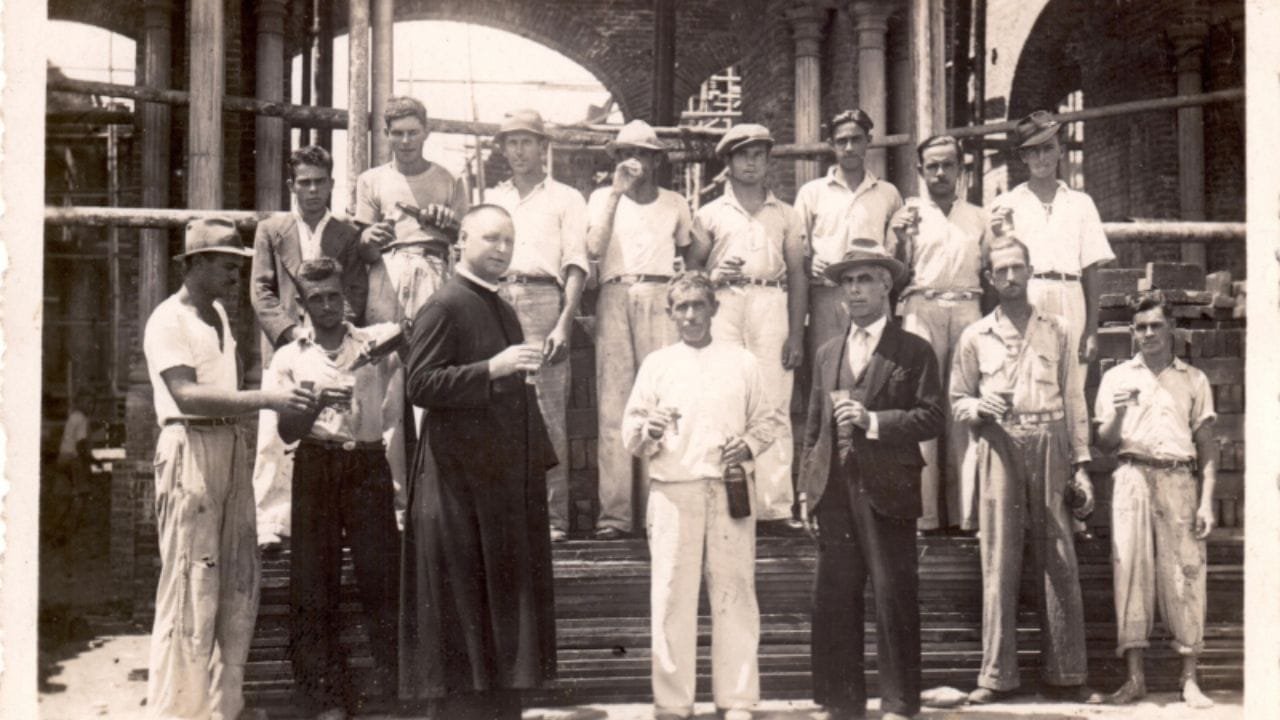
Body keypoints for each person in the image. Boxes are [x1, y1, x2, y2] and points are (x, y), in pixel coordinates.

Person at [142, 218, 316, 720]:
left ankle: (223, 707)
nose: (234, 277)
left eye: (238, 268)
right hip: (189, 447)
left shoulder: (217, 313)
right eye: (224, 266)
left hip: (229, 443)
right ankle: (178, 711)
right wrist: (268, 399)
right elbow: (186, 395)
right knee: (190, 582)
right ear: (193, 265)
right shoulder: (167, 320)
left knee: (236, 579)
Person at [399, 205, 557, 719]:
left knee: (499, 618)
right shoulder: (443, 305)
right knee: (463, 613)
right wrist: (493, 367)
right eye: (491, 238)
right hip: (457, 486)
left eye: (509, 240)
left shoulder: (501, 306)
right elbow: (420, 385)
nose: (502, 249)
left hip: (498, 485)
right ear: (461, 241)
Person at [622, 272, 782, 720]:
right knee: (672, 596)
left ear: (714, 308)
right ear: (670, 313)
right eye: (681, 307)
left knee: (735, 593)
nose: (690, 315)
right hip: (673, 492)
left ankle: (737, 700)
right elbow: (630, 434)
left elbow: (768, 421)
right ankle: (673, 702)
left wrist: (747, 446)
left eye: (698, 305)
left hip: (730, 489)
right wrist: (648, 430)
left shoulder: (742, 361)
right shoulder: (657, 364)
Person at [798, 239, 944, 720]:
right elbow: (815, 427)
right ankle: (843, 701)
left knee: (892, 595)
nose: (855, 290)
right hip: (834, 490)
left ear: (887, 285)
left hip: (888, 487)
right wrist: (807, 486)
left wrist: (875, 421)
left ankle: (899, 704)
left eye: (865, 279)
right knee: (835, 596)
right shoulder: (826, 352)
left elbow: (932, 417)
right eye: (848, 281)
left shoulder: (914, 350)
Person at [951, 237, 1098, 705]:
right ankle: (996, 675)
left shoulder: (1056, 328)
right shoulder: (975, 336)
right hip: (998, 442)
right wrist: (979, 405)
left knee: (1058, 555)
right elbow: (957, 401)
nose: (1010, 277)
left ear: (1030, 270)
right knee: (999, 559)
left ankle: (1068, 672)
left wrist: (1082, 464)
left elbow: (1074, 398)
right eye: (1001, 271)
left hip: (1050, 438)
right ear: (990, 278)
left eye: (1017, 268)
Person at [265, 258, 403, 719]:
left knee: (383, 578)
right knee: (312, 582)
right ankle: (324, 700)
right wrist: (316, 401)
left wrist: (392, 344)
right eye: (316, 299)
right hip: (316, 463)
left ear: (346, 296)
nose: (326, 306)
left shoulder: (374, 342)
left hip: (366, 464)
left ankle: (398, 692)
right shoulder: (289, 357)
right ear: (301, 305)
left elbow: (415, 332)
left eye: (333, 296)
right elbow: (286, 433)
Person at [986, 110, 1115, 541]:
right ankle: (1026, 507)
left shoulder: (1081, 203)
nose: (1042, 157)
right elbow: (999, 263)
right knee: (1028, 391)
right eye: (1033, 150)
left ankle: (1075, 502)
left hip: (1070, 294)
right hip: (1030, 294)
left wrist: (1093, 329)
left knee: (1072, 394)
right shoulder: (1008, 204)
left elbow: (1093, 268)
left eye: (1048, 147)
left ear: (1060, 149)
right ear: (1023, 157)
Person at [1094, 291, 1218, 709]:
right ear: (1133, 333)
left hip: (1179, 478)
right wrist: (1119, 414)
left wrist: (1207, 502)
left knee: (1186, 575)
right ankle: (1134, 679)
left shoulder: (1193, 379)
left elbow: (1207, 446)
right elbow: (1105, 444)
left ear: (1172, 330)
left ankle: (1189, 680)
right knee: (1130, 572)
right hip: (1131, 476)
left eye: (1155, 325)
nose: (1147, 333)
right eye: (1141, 327)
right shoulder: (1116, 378)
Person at [689, 123, 807, 536]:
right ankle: (728, 498)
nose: (752, 162)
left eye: (759, 154)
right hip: (725, 303)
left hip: (771, 301)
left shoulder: (786, 214)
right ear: (728, 162)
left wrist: (797, 333)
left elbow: (797, 274)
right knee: (725, 395)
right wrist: (712, 273)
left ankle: (775, 506)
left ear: (768, 160)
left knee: (773, 400)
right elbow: (691, 273)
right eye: (743, 155)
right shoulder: (708, 214)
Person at [250, 144, 368, 550]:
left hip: (332, 345)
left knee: (331, 431)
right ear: (291, 186)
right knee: (274, 434)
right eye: (305, 183)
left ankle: (334, 521)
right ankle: (270, 522)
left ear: (332, 184)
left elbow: (353, 291)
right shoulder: (271, 230)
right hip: (287, 346)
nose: (313, 190)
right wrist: (288, 336)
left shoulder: (347, 234)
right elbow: (261, 291)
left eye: (320, 182)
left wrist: (330, 334)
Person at [587, 119, 698, 540]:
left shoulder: (674, 202)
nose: (635, 162)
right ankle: (615, 515)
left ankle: (661, 510)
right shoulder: (601, 197)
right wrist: (616, 191)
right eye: (625, 154)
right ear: (615, 159)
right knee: (614, 407)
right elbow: (594, 249)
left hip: (660, 295)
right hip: (615, 294)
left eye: (644, 155)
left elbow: (692, 255)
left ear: (656, 161)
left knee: (661, 403)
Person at [489, 108, 589, 543]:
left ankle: (554, 517)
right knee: (501, 407)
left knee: (548, 414)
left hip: (545, 300)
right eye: (511, 142)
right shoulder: (493, 197)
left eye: (527, 141)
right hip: (499, 300)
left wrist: (564, 322)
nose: (518, 150)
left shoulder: (566, 198)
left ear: (543, 147)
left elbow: (576, 264)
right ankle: (510, 513)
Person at [887, 135, 986, 534]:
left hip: (966, 308)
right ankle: (925, 516)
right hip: (922, 307)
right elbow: (893, 274)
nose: (941, 173)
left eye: (948, 165)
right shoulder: (908, 216)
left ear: (961, 170)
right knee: (924, 406)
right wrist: (896, 236)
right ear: (920, 170)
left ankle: (966, 515)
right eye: (932, 166)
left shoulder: (979, 217)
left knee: (963, 408)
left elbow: (992, 272)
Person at [794, 108, 903, 370]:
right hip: (827, 295)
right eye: (842, 141)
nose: (849, 147)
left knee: (874, 367)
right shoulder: (812, 192)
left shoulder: (888, 193)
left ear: (869, 141)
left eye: (856, 139)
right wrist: (811, 262)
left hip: (874, 296)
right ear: (832, 144)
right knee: (830, 368)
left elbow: (896, 252)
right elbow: (798, 249)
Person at [354, 95, 470, 325]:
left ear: (426, 132)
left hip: (434, 271)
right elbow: (365, 252)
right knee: (383, 351)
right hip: (386, 273)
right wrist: (368, 238)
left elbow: (465, 243)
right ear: (386, 134)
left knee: (431, 349)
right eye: (397, 133)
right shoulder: (370, 180)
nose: (405, 140)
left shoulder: (450, 179)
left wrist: (448, 224)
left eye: (413, 132)